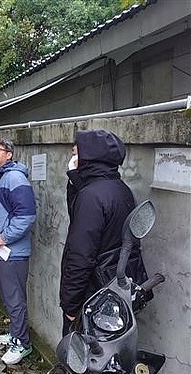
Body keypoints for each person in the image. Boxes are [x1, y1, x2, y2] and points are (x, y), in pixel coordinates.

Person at [60, 129, 136, 336]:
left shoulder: (91, 197)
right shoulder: (119, 188)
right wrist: (76, 179)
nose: (73, 156)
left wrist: (71, 305)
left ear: (91, 157)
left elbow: (81, 255)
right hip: (113, 287)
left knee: (82, 354)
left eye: (76, 152)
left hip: (92, 293)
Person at [0, 138, 36, 365]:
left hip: (11, 251)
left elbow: (26, 215)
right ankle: (15, 333)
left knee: (15, 298)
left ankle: (22, 343)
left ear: (9, 154)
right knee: (8, 296)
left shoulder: (14, 178)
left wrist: (6, 236)